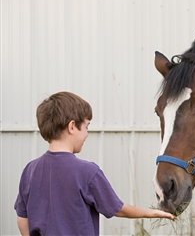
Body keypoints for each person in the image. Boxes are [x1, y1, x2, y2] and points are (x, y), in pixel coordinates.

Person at [14, 91, 176, 236]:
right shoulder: (87, 172)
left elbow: (22, 219)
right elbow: (117, 209)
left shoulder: (30, 170)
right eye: (86, 127)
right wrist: (152, 213)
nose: (86, 134)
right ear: (72, 126)